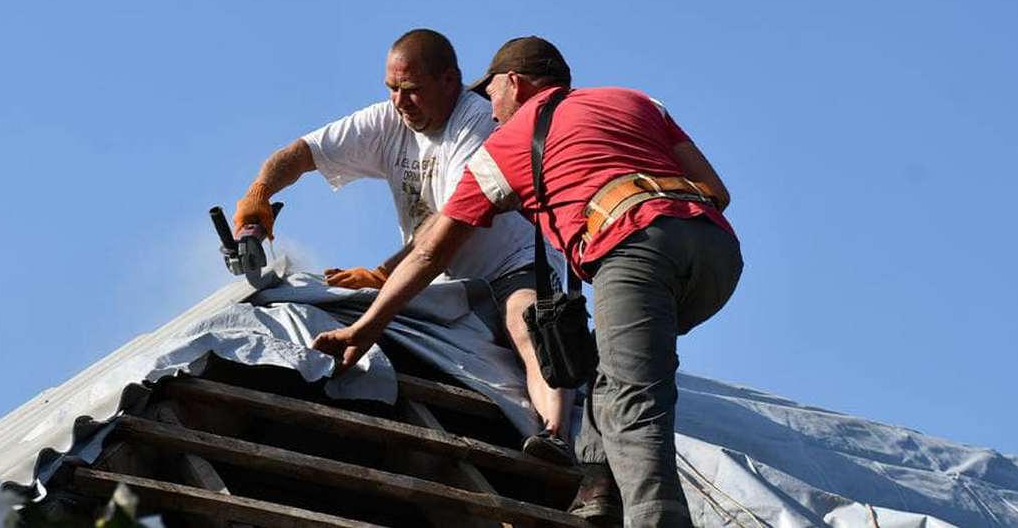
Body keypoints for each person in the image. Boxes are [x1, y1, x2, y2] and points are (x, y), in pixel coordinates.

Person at [313, 36, 743, 527]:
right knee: (610, 368)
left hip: (632, 249)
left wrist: (365, 327)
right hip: (716, 255)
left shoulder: (508, 146)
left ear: (514, 84)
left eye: (492, 95)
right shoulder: (635, 101)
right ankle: (598, 485)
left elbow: (432, 251)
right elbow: (717, 192)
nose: (490, 113)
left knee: (634, 403)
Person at [232, 28, 576, 464]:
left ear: (449, 81)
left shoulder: (476, 122)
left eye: (412, 90)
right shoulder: (389, 121)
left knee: (530, 328)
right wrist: (259, 193)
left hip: (510, 264)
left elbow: (453, 219)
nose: (400, 101)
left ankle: (554, 435)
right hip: (441, 278)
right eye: (392, 88)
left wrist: (385, 273)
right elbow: (301, 153)